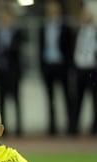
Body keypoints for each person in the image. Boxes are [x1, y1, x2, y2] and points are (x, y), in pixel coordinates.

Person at [38, 0, 74, 136]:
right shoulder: (43, 28)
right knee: (50, 99)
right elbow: (40, 48)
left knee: (66, 97)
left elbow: (69, 49)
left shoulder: (65, 28)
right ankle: (52, 128)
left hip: (61, 66)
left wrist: (69, 66)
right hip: (49, 66)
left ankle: (71, 127)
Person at [0, 6, 24, 136]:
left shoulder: (17, 33)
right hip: (0, 72)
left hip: (13, 72)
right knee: (1, 102)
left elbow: (17, 50)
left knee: (16, 100)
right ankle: (3, 129)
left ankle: (19, 128)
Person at [72, 8, 97, 136]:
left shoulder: (95, 32)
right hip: (80, 69)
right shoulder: (78, 31)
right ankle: (74, 127)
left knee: (94, 100)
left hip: (92, 69)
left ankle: (94, 127)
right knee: (78, 99)